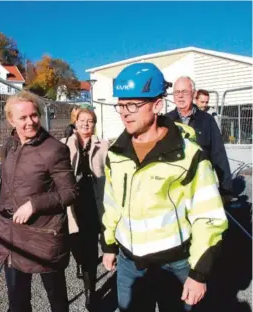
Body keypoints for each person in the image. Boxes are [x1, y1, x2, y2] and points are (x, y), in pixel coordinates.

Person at [102, 63, 228, 312]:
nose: (124, 113)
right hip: (129, 265)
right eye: (120, 105)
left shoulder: (188, 154)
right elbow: (112, 203)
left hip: (176, 264)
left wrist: (199, 272)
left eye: (133, 105)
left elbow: (208, 217)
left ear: (157, 105)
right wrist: (108, 245)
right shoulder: (116, 154)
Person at [0, 91, 78, 312]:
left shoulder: (54, 149)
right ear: (11, 120)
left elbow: (70, 192)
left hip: (43, 236)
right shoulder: (9, 145)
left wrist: (34, 204)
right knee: (17, 302)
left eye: (34, 115)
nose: (30, 122)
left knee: (57, 299)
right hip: (11, 236)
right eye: (22, 118)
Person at [61, 105, 109, 310]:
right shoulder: (63, 145)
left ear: (94, 124)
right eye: (82, 120)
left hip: (94, 200)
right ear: (75, 122)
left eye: (90, 120)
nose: (86, 124)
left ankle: (91, 293)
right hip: (73, 202)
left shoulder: (104, 145)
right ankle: (80, 262)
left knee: (90, 249)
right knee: (76, 246)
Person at [166, 77, 233, 202]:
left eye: (185, 92)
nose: (180, 96)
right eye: (177, 92)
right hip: (174, 190)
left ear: (194, 93)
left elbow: (219, 155)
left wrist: (226, 190)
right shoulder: (165, 121)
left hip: (201, 186)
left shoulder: (207, 121)